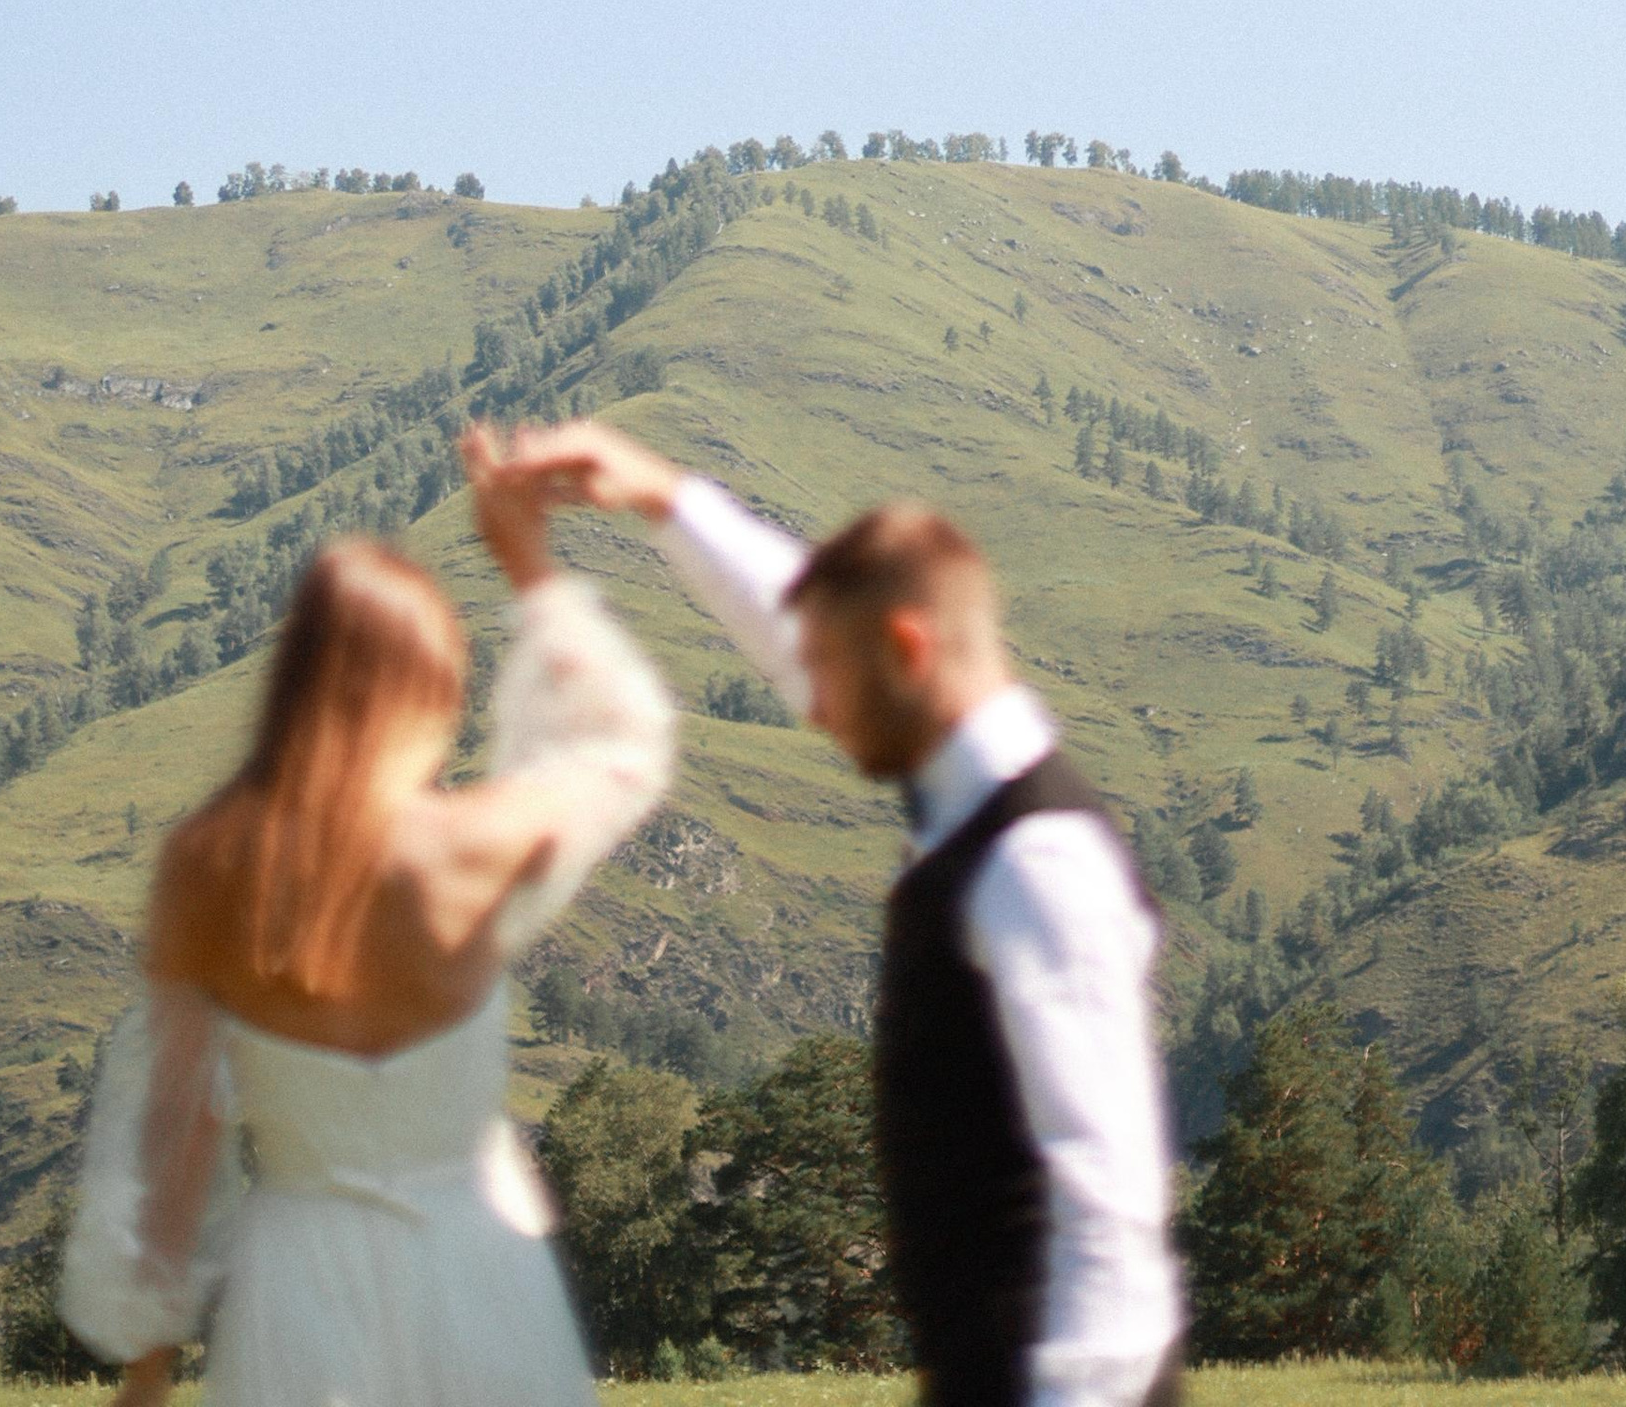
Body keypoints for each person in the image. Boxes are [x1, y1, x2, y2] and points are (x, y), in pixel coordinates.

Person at [503, 420, 1183, 1407]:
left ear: (907, 649)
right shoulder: (971, 804)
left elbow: (1105, 1193)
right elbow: (809, 630)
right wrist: (663, 498)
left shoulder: (1037, 862)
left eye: (823, 672)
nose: (812, 705)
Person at [58, 427, 674, 1407]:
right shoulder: (478, 845)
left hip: (297, 1293)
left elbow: (177, 1128)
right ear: (430, 688)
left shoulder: (209, 867)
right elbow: (626, 744)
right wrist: (529, 566)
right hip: (482, 1275)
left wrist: (149, 1365)